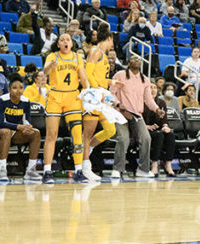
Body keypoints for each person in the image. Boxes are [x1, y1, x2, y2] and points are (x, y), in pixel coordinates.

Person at [41, 33, 91, 183]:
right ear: (58, 44)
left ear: (71, 43)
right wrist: (50, 66)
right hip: (55, 97)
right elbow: (44, 72)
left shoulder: (77, 57)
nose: (65, 42)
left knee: (77, 134)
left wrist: (88, 91)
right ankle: (47, 171)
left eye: (67, 39)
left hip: (72, 97)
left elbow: (83, 78)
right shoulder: (52, 56)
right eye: (62, 40)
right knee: (52, 134)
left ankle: (78, 170)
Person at [110, 54, 160, 180]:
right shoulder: (119, 75)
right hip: (120, 114)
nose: (136, 60)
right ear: (128, 62)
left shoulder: (145, 79)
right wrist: (117, 103)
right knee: (123, 139)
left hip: (137, 114)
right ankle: (117, 169)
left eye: (138, 59)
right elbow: (111, 93)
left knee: (146, 138)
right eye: (133, 58)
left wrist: (157, 109)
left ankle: (143, 169)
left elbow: (148, 99)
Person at [0, 77, 43, 183]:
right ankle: (2, 170)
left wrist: (27, 128)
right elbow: (1, 123)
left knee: (35, 133)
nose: (18, 90)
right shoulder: (2, 100)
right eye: (14, 88)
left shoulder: (26, 101)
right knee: (6, 132)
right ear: (9, 90)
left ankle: (31, 170)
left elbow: (26, 120)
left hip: (14, 131)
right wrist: (19, 127)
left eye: (21, 88)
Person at [81, 27, 117, 181]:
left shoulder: (102, 54)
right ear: (108, 38)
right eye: (112, 40)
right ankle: (84, 167)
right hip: (94, 96)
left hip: (101, 95)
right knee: (87, 134)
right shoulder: (96, 51)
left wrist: (111, 82)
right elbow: (87, 72)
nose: (113, 43)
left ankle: (87, 151)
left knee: (110, 129)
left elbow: (98, 75)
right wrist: (96, 89)